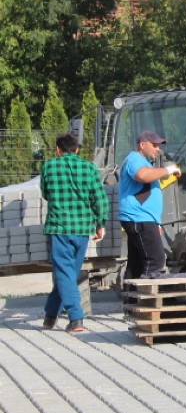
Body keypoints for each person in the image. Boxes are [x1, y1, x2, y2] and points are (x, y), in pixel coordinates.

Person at [40, 133, 110, 334]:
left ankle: (76, 319)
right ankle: (50, 316)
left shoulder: (49, 166)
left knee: (64, 274)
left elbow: (45, 193)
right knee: (68, 274)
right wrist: (100, 224)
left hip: (59, 228)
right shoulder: (89, 168)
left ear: (57, 149)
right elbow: (100, 199)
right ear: (77, 149)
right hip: (82, 229)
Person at [118, 131, 180, 280]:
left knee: (136, 264)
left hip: (141, 218)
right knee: (155, 261)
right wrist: (168, 170)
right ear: (142, 144)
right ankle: (148, 299)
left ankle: (131, 299)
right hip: (139, 218)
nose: (157, 149)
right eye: (154, 145)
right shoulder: (135, 159)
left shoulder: (144, 163)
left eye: (158, 145)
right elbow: (142, 176)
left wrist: (156, 222)